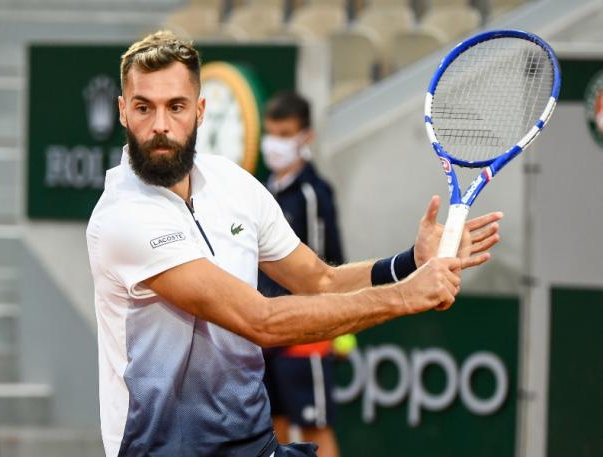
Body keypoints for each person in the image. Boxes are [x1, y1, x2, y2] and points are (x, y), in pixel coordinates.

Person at [86, 30, 503, 457]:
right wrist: (403, 296)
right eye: (143, 107)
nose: (160, 125)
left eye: (176, 107)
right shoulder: (124, 217)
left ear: (200, 110)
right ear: (122, 111)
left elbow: (319, 280)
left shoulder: (235, 186)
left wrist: (409, 264)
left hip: (256, 445)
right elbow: (260, 321)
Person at [258, 91, 344, 457]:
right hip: (264, 332)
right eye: (271, 133)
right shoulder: (261, 189)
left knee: (315, 428)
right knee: (271, 429)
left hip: (305, 333)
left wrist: (329, 324)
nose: (275, 143)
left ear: (306, 136)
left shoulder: (312, 193)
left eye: (285, 134)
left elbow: (323, 266)